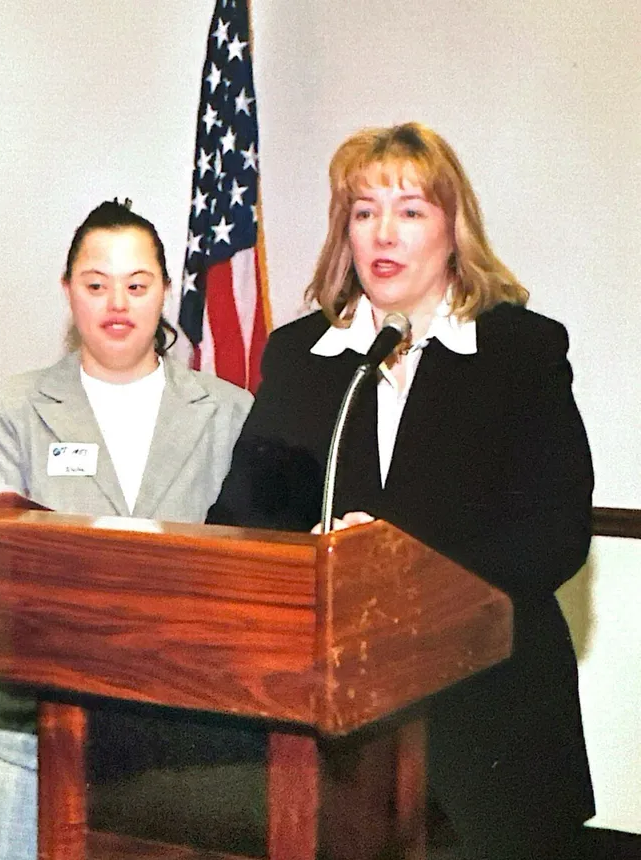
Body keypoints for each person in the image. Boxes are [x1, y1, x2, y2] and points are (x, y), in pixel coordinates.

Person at [208, 123, 595, 860]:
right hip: (336, 740)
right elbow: (239, 526)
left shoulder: (519, 351)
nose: (384, 232)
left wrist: (396, 563)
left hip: (490, 725)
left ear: (454, 230)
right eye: (363, 211)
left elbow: (555, 534)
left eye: (411, 210)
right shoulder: (303, 357)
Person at [0, 199, 254, 860]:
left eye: (136, 284)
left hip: (177, 739)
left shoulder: (230, 412)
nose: (116, 303)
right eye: (96, 285)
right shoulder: (13, 408)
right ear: (69, 294)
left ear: (165, 292)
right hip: (27, 731)